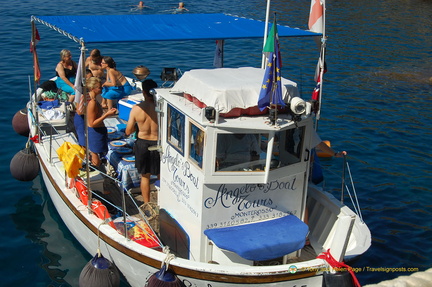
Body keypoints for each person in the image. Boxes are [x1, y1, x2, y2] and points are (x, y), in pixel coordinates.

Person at [125, 79, 159, 203]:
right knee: (161, 176)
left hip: (143, 143)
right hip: (158, 143)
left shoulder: (137, 109)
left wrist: (136, 127)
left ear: (144, 92)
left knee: (145, 176)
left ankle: (146, 203)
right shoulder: (160, 108)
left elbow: (128, 131)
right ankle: (163, 201)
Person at [86, 77, 117, 167]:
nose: (102, 89)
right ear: (93, 88)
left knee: (96, 153)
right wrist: (107, 114)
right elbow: (92, 123)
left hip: (98, 131)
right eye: (99, 87)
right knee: (95, 154)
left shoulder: (92, 99)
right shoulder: (92, 102)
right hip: (96, 132)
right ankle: (96, 169)